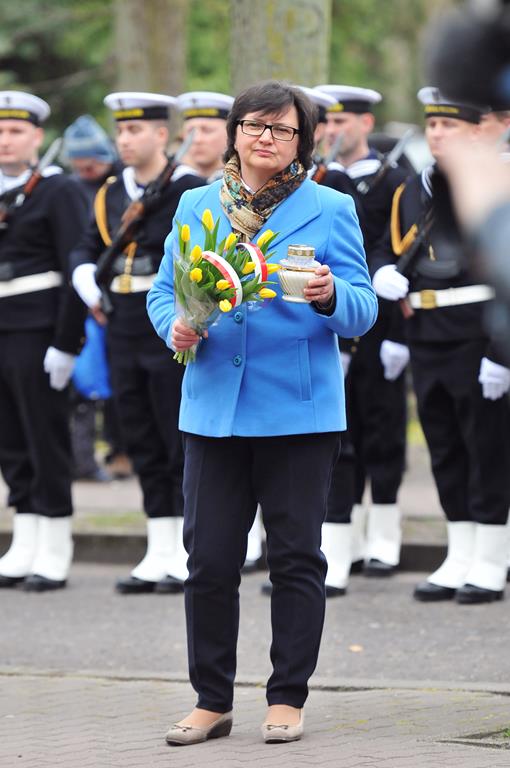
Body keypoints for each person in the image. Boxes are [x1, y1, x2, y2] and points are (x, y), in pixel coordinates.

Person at [147, 80, 377, 745]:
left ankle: (286, 698)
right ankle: (211, 700)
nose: (267, 138)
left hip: (298, 414)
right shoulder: (196, 204)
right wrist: (176, 326)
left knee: (296, 560)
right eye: (255, 125)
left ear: (303, 140)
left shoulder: (330, 206)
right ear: (235, 132)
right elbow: (163, 293)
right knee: (208, 561)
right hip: (213, 411)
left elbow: (364, 309)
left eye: (282, 129)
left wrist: (332, 295)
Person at [371, 86, 510, 605]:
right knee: (445, 446)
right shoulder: (414, 188)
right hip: (427, 334)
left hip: (479, 333)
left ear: (476, 132)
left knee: (487, 447)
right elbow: (386, 246)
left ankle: (492, 557)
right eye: (432, 125)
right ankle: (460, 551)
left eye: (449, 125)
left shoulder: (495, 184)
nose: (436, 134)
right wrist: (382, 271)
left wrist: (503, 354)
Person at [71, 92, 205, 595]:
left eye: (135, 130)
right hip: (121, 318)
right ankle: (158, 544)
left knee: (175, 431)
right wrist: (84, 275)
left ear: (161, 135)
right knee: (138, 430)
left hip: (167, 313)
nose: (124, 140)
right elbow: (88, 245)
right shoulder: (111, 191)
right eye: (121, 131)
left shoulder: (187, 187)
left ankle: (187, 548)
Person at [313, 84, 412, 591]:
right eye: (326, 122)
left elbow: (400, 254)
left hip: (382, 326)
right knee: (340, 437)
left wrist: (401, 336)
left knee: (383, 430)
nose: (333, 131)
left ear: (365, 124)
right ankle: (342, 542)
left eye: (342, 121)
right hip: (332, 319)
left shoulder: (395, 180)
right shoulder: (320, 180)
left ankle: (385, 535)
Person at [0, 91, 88, 591]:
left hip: (37, 331)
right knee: (10, 441)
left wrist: (67, 342)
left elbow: (75, 269)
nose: (5, 140)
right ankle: (25, 536)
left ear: (37, 136)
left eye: (15, 131)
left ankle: (55, 543)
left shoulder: (59, 190)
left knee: (44, 438)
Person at [176, 91, 234, 183]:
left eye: (207, 131)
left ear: (230, 134)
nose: (197, 140)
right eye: (190, 132)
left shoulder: (241, 183)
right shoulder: (174, 182)